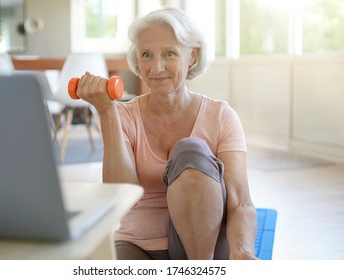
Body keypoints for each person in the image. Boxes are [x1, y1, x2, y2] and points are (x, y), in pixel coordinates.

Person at [74, 7, 257, 260]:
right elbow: (121, 193)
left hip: (205, 247)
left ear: (191, 56)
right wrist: (107, 111)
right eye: (146, 55)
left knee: (190, 150)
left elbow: (240, 201)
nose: (156, 67)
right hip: (138, 244)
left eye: (169, 53)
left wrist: (243, 251)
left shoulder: (221, 116)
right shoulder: (123, 115)